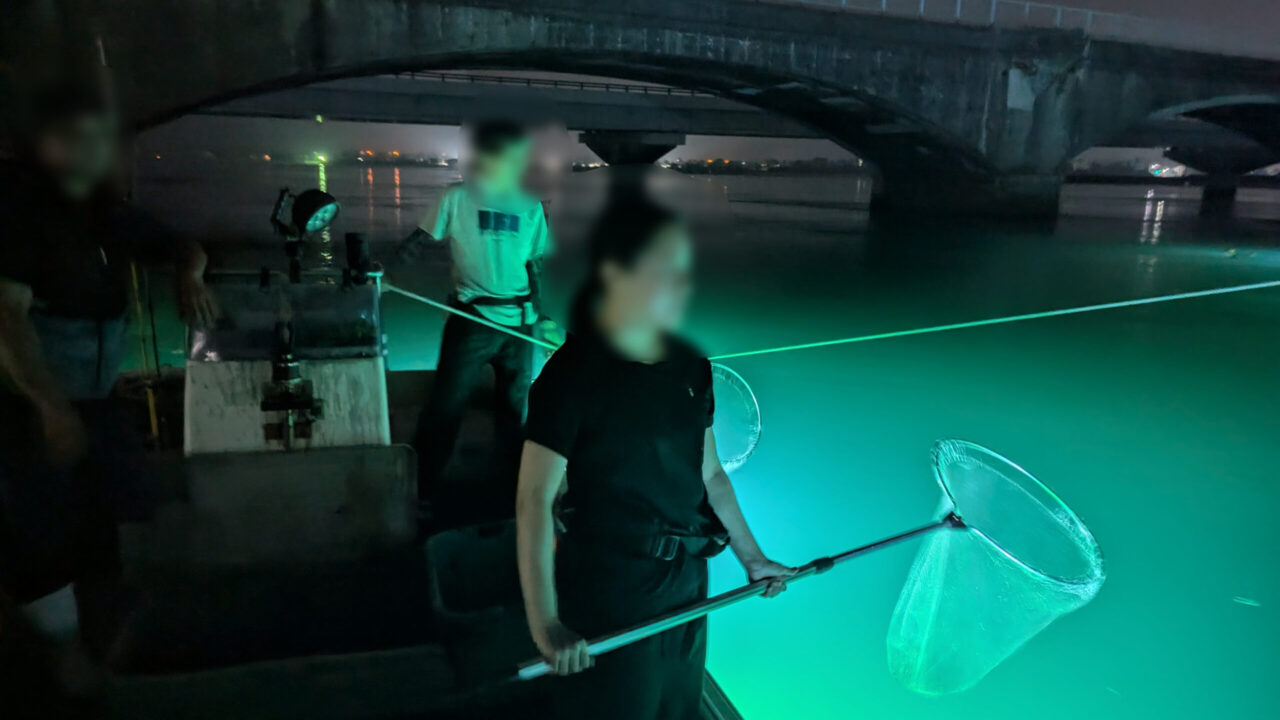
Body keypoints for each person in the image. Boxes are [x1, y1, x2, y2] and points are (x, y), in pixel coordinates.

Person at [515, 198, 793, 719]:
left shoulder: (692, 365)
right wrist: (545, 624)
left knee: (678, 705)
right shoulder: (572, 374)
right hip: (610, 583)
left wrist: (752, 558)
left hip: (687, 580)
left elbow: (711, 475)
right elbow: (533, 499)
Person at [0, 80, 217, 695]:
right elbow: (8, 318)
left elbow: (178, 243)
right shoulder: (17, 205)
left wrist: (189, 272)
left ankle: (107, 641)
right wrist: (49, 406)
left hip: (95, 395)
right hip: (28, 400)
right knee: (39, 528)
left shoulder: (95, 207)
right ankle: (62, 657)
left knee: (114, 512)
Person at [400, 121, 551, 513]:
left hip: (520, 323)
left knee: (513, 414)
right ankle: (422, 490)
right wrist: (381, 272)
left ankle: (513, 494)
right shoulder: (456, 197)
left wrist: (543, 314)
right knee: (445, 409)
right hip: (472, 319)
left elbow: (536, 263)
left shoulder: (530, 204)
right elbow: (416, 242)